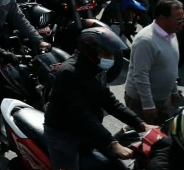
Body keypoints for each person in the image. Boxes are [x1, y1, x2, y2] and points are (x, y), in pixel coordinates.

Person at [44, 27, 147, 170]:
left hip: (89, 128)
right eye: (107, 54)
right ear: (90, 50)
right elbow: (81, 115)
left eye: (112, 55)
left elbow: (109, 101)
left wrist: (140, 124)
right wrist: (113, 143)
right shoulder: (70, 73)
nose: (111, 59)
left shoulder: (97, 69)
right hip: (65, 133)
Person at [124, 0, 182, 124]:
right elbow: (140, 75)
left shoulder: (171, 34)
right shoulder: (146, 41)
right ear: (162, 18)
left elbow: (169, 66)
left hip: (163, 98)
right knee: (142, 138)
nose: (181, 23)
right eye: (178, 20)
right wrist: (148, 105)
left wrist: (173, 90)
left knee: (161, 136)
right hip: (142, 102)